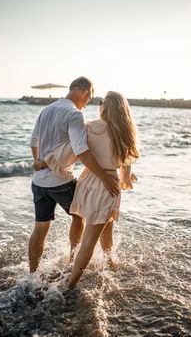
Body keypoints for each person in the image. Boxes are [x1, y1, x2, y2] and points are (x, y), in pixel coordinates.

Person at [34, 91, 139, 287]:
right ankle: (70, 284)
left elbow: (70, 153)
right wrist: (125, 178)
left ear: (104, 108)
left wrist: (45, 162)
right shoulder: (126, 133)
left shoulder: (90, 127)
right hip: (106, 185)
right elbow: (124, 169)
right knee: (90, 240)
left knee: (105, 224)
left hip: (86, 182)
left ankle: (105, 260)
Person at [29, 77, 119, 273]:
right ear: (84, 92)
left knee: (40, 229)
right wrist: (104, 176)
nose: (88, 104)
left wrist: (40, 163)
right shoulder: (74, 114)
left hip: (38, 182)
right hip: (61, 182)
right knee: (79, 217)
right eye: (90, 98)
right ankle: (72, 262)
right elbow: (81, 151)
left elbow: (34, 141)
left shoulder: (47, 110)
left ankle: (32, 274)